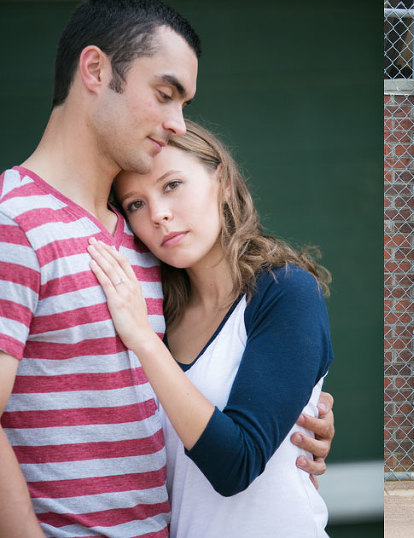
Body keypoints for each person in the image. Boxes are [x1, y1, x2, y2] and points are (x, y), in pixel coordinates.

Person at [0, 0, 332, 537]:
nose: (177, 122)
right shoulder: (15, 221)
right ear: (95, 69)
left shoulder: (145, 249)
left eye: (185, 103)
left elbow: (210, 417)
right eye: (165, 93)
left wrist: (297, 415)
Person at [86, 119, 333, 537]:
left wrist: (144, 341)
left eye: (171, 185)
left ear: (220, 180)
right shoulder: (153, 308)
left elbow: (236, 465)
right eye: (135, 204)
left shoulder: (286, 291)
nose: (159, 215)